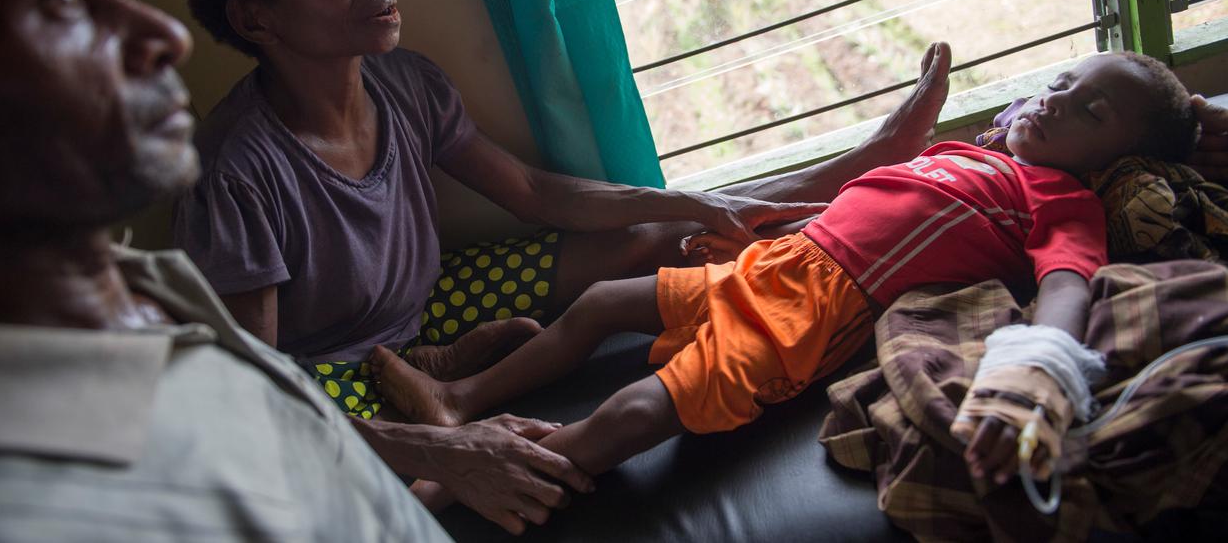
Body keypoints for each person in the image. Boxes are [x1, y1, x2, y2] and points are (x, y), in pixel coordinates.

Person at [172, 0, 948, 424]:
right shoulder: (236, 170)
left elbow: (537, 194)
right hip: (331, 367)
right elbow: (261, 387)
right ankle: (432, 381)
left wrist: (689, 198)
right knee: (331, 417)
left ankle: (866, 161)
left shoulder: (404, 82)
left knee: (661, 238)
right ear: (255, 21)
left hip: (428, 299)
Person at [0, 0, 589, 539]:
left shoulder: (152, 291)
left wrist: (439, 449)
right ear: (256, 20)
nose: (163, 36)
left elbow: (275, 418)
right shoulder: (45, 497)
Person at [369, 48, 1200, 508]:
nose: (1056, 103)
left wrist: (1036, 368)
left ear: (1118, 158)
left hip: (808, 315)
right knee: (597, 305)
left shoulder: (1060, 202)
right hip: (775, 265)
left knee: (631, 410)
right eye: (1061, 84)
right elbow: (873, 203)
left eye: (1090, 112)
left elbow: (1065, 285)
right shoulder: (971, 153)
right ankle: (462, 402)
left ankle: (458, 491)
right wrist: (785, 228)